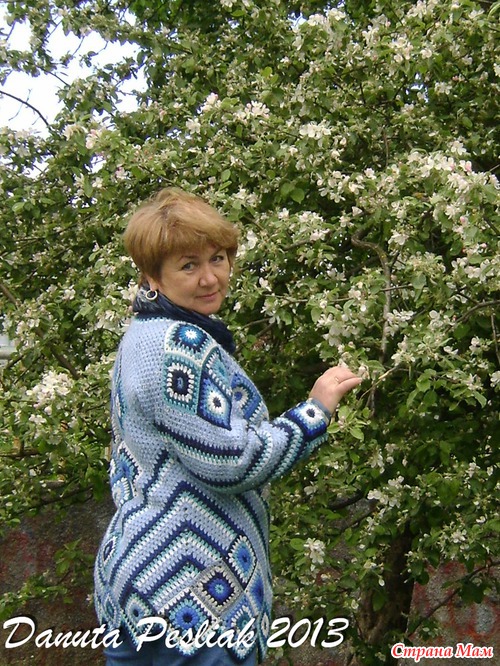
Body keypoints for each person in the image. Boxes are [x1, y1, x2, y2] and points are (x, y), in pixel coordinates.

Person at [94, 188, 362, 666]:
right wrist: (314, 412)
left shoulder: (140, 336)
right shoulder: (178, 344)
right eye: (188, 265)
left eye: (217, 258)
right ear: (152, 275)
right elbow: (231, 462)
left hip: (138, 586)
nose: (210, 278)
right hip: (193, 600)